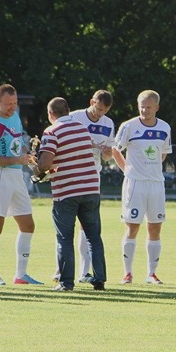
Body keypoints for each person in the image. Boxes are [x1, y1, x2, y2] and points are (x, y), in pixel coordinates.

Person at [33, 97, 106, 291]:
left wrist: (36, 165)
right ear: (68, 110)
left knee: (64, 237)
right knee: (93, 236)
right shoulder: (82, 128)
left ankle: (66, 282)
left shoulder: (52, 131)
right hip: (91, 188)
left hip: (67, 191)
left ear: (51, 114)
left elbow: (46, 164)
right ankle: (99, 278)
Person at [0, 84, 42, 286]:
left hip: (16, 177)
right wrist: (18, 160)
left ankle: (21, 275)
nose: (12, 108)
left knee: (28, 224)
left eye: (14, 103)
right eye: (8, 104)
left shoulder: (14, 116)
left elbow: (18, 141)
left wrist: (28, 156)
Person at [113, 90, 172, 284]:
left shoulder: (164, 128)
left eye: (148, 107)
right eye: (142, 107)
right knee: (132, 228)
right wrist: (127, 170)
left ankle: (151, 274)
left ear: (157, 107)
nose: (145, 110)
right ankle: (127, 273)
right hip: (135, 184)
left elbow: (163, 154)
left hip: (156, 184)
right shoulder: (128, 126)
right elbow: (115, 149)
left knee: (155, 228)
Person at [61, 89, 115, 283]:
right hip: (71, 175)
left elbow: (107, 156)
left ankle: (84, 272)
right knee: (65, 226)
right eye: (98, 109)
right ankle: (61, 270)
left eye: (104, 111)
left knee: (87, 226)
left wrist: (108, 152)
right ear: (91, 101)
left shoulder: (108, 124)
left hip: (93, 177)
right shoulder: (74, 117)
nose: (100, 114)